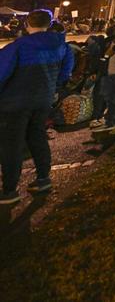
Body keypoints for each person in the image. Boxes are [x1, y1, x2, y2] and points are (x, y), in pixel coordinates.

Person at [0, 10, 75, 204]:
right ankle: (43, 178)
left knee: (12, 145)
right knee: (38, 138)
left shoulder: (18, 47)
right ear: (48, 24)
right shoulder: (61, 46)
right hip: (43, 101)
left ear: (27, 24)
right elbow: (65, 73)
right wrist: (53, 89)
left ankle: (9, 190)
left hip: (14, 103)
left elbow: (2, 73)